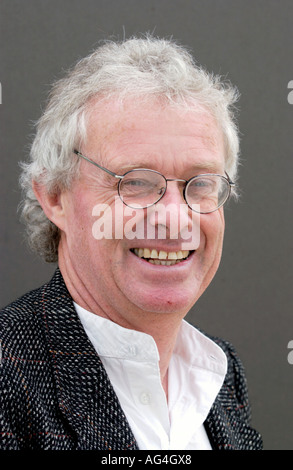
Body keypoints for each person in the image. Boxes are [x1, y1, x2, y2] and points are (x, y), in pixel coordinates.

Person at [0, 35, 262, 451]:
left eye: (200, 185)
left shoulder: (223, 378)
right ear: (54, 196)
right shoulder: (7, 379)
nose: (175, 219)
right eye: (136, 182)